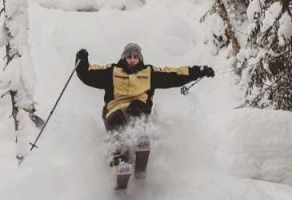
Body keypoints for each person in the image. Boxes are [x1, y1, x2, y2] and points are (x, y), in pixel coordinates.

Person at [75, 42, 214, 132]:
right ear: (124, 58)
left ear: (140, 59)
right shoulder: (112, 71)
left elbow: (174, 75)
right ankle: (118, 155)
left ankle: (140, 143)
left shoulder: (148, 73)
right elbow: (88, 75)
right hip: (114, 110)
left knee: (137, 108)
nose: (132, 60)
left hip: (138, 108)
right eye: (129, 57)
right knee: (116, 118)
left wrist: (199, 71)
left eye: (136, 57)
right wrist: (82, 61)